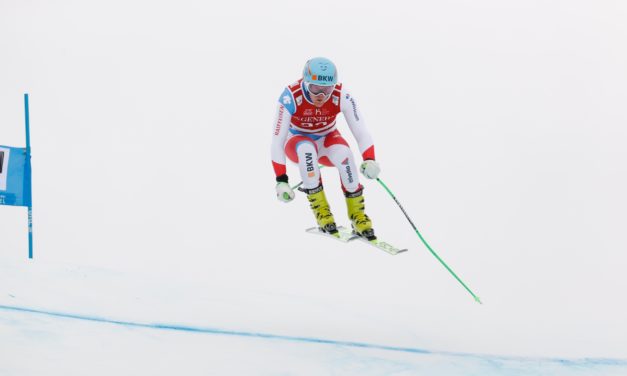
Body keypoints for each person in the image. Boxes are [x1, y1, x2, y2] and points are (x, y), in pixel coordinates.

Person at [271, 57, 381, 240]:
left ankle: (358, 217)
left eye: (327, 89)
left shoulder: (341, 95)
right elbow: (276, 141)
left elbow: (361, 131)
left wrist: (369, 159)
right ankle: (322, 213)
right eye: (315, 88)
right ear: (306, 83)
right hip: (297, 142)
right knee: (307, 151)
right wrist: (281, 180)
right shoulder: (290, 96)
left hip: (327, 139)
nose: (321, 95)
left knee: (345, 154)